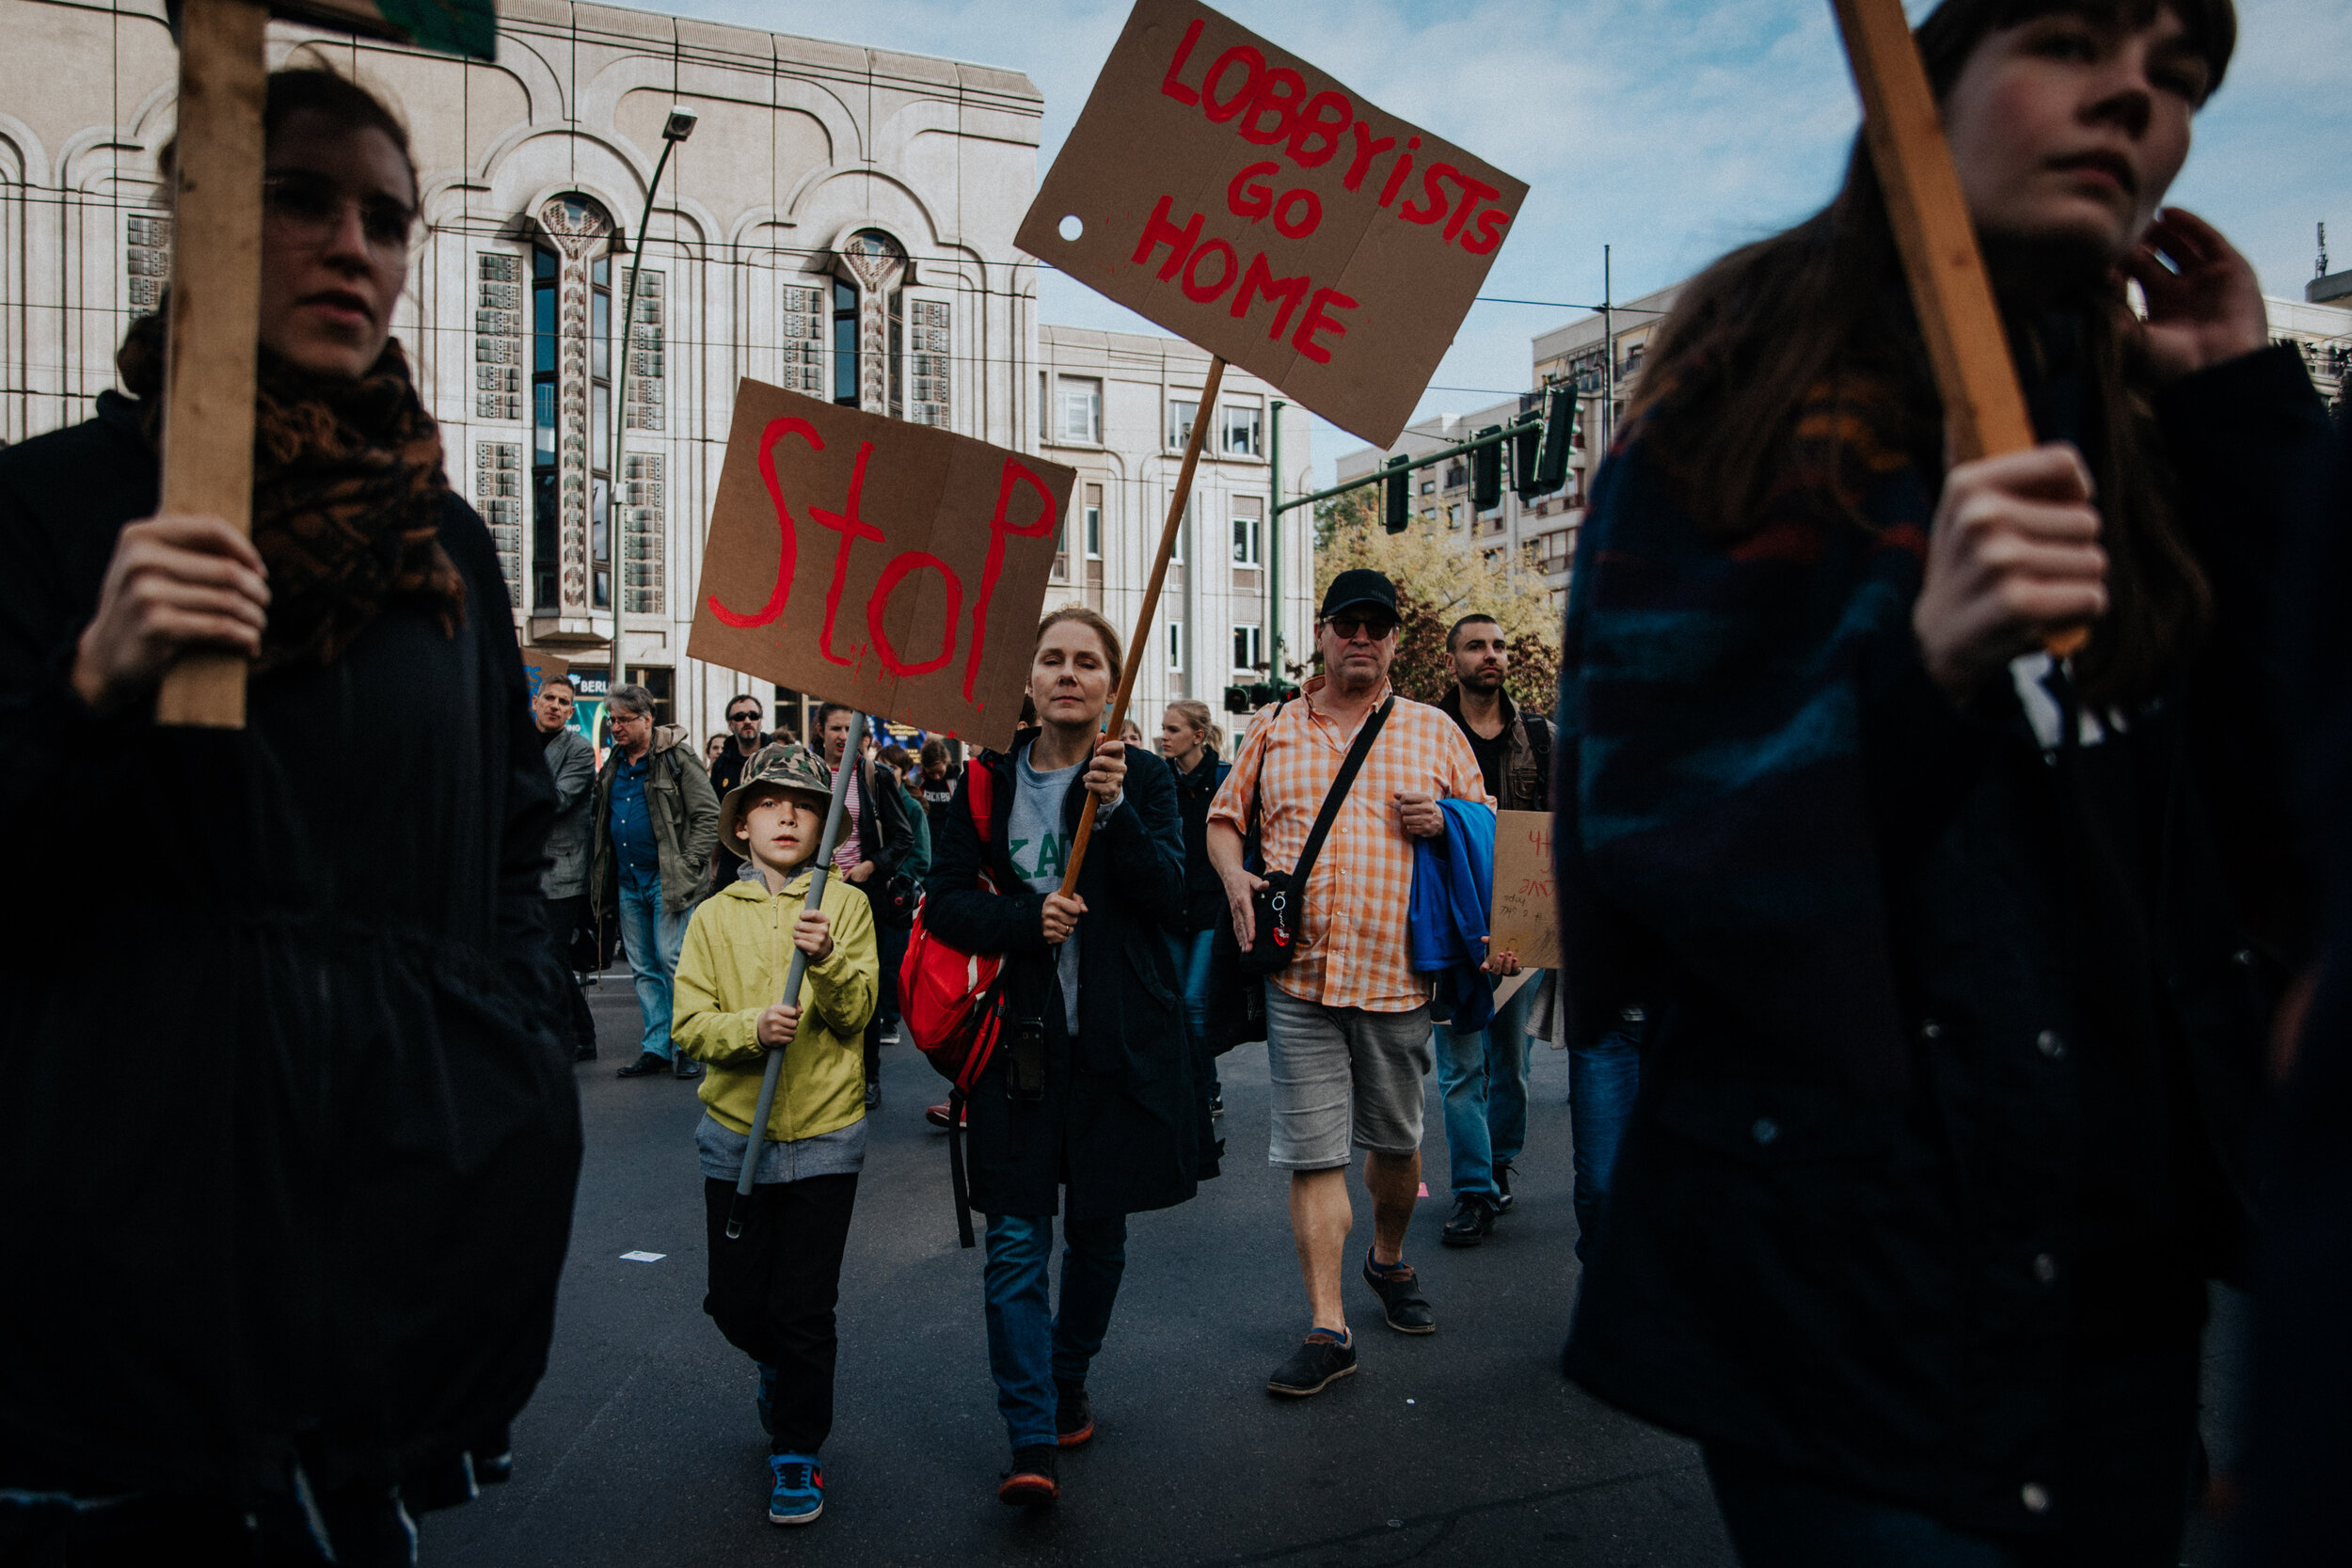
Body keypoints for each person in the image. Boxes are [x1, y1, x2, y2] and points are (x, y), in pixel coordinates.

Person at [1551, 1, 2329, 1560]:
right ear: (1930, 74)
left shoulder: (2137, 405)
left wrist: (2243, 414)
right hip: (1856, 1291)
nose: (2133, 103)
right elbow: (1649, 829)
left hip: (2118, 1274)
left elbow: (2288, 811)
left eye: (2178, 83)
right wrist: (1921, 674)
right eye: (2073, 45)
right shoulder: (1753, 361)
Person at [0, 66, 581, 1559]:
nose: (353, 246)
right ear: (192, 224)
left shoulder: (445, 548)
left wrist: (514, 1075)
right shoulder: (53, 513)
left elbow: (512, 848)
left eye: (387, 219)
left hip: (387, 1262)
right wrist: (88, 683)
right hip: (118, 1279)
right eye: (300, 199)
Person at [921, 606, 1208, 1507]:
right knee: (1013, 1244)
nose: (1069, 674)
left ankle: (1069, 1370)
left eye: (1088, 661)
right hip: (1018, 1047)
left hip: (1118, 1048)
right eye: (1052, 659)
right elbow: (942, 905)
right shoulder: (983, 783)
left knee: (1097, 1233)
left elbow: (1177, 901)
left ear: (1111, 685)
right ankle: (1030, 1432)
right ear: (1030, 679)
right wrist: (1025, 920)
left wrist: (1116, 814)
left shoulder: (1148, 779)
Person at [1205, 569, 1491, 1397]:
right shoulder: (1273, 726)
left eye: (1377, 625)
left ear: (1395, 641)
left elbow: (1488, 835)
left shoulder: (1435, 732)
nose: (1361, 637)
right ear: (1321, 633)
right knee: (1314, 1153)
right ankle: (1328, 1326)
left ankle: (1389, 1258)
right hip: (1300, 978)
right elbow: (1225, 818)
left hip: (1400, 980)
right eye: (1346, 624)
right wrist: (1233, 878)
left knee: (1396, 1149)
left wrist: (1448, 821)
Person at [674, 742, 879, 1529]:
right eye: (768, 802)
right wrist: (749, 1028)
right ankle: (773, 1365)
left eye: (803, 804)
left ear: (825, 825)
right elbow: (691, 1023)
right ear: (742, 822)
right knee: (735, 1304)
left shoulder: (845, 909)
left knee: (804, 1309)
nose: (786, 815)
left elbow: (857, 1014)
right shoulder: (712, 916)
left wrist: (825, 960)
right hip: (736, 1137)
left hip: (827, 1135)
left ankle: (797, 1448)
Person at [1429, 615, 1552, 1245]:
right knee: (1458, 1066)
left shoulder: (1539, 735)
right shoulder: (1424, 732)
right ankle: (1473, 1190)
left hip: (1522, 919)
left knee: (1512, 1061)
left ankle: (1499, 1161)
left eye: (1499, 645)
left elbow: (1563, 826)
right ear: (1452, 661)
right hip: (1453, 920)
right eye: (1476, 646)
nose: (1491, 655)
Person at [592, 682, 719, 1080]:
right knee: (643, 967)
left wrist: (690, 863)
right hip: (629, 880)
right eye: (612, 720)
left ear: (647, 720)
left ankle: (688, 1045)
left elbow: (708, 815)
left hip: (668, 879)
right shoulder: (614, 761)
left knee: (673, 962)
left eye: (624, 720)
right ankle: (656, 1047)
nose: (615, 727)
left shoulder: (677, 757)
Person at [818, 703, 916, 1106]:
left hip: (862, 897)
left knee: (862, 986)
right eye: (837, 728)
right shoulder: (809, 775)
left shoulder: (874, 777)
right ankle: (822, 1076)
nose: (844, 736)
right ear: (820, 730)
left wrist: (870, 866)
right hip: (815, 894)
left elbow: (903, 837)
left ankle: (868, 1075)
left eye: (853, 730)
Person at [1160, 699, 1231, 1116]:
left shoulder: (1224, 779)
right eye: (1163, 730)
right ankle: (1192, 1085)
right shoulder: (1159, 778)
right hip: (1171, 906)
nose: (1164, 737)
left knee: (1193, 1001)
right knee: (1173, 1001)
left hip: (1211, 907)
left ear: (1198, 736)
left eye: (1173, 730)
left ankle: (1205, 1089)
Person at [536, 673, 601, 1062]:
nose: (555, 706)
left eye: (563, 701)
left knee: (554, 954)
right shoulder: (518, 742)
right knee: (534, 954)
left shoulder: (577, 749)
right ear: (536, 702)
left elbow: (557, 799)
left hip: (564, 870)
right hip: (524, 868)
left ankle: (581, 1033)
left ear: (571, 710)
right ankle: (558, 1030)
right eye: (549, 698)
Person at [708, 692, 770, 891]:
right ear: (730, 725)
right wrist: (714, 862)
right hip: (731, 857)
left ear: (761, 720)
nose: (747, 721)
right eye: (739, 717)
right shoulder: (722, 765)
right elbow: (716, 815)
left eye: (753, 715)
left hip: (771, 853)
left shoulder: (777, 757)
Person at [918, 738, 960, 826]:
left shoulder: (957, 780)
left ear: (946, 763)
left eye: (940, 772)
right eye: (931, 773)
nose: (936, 777)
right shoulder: (917, 781)